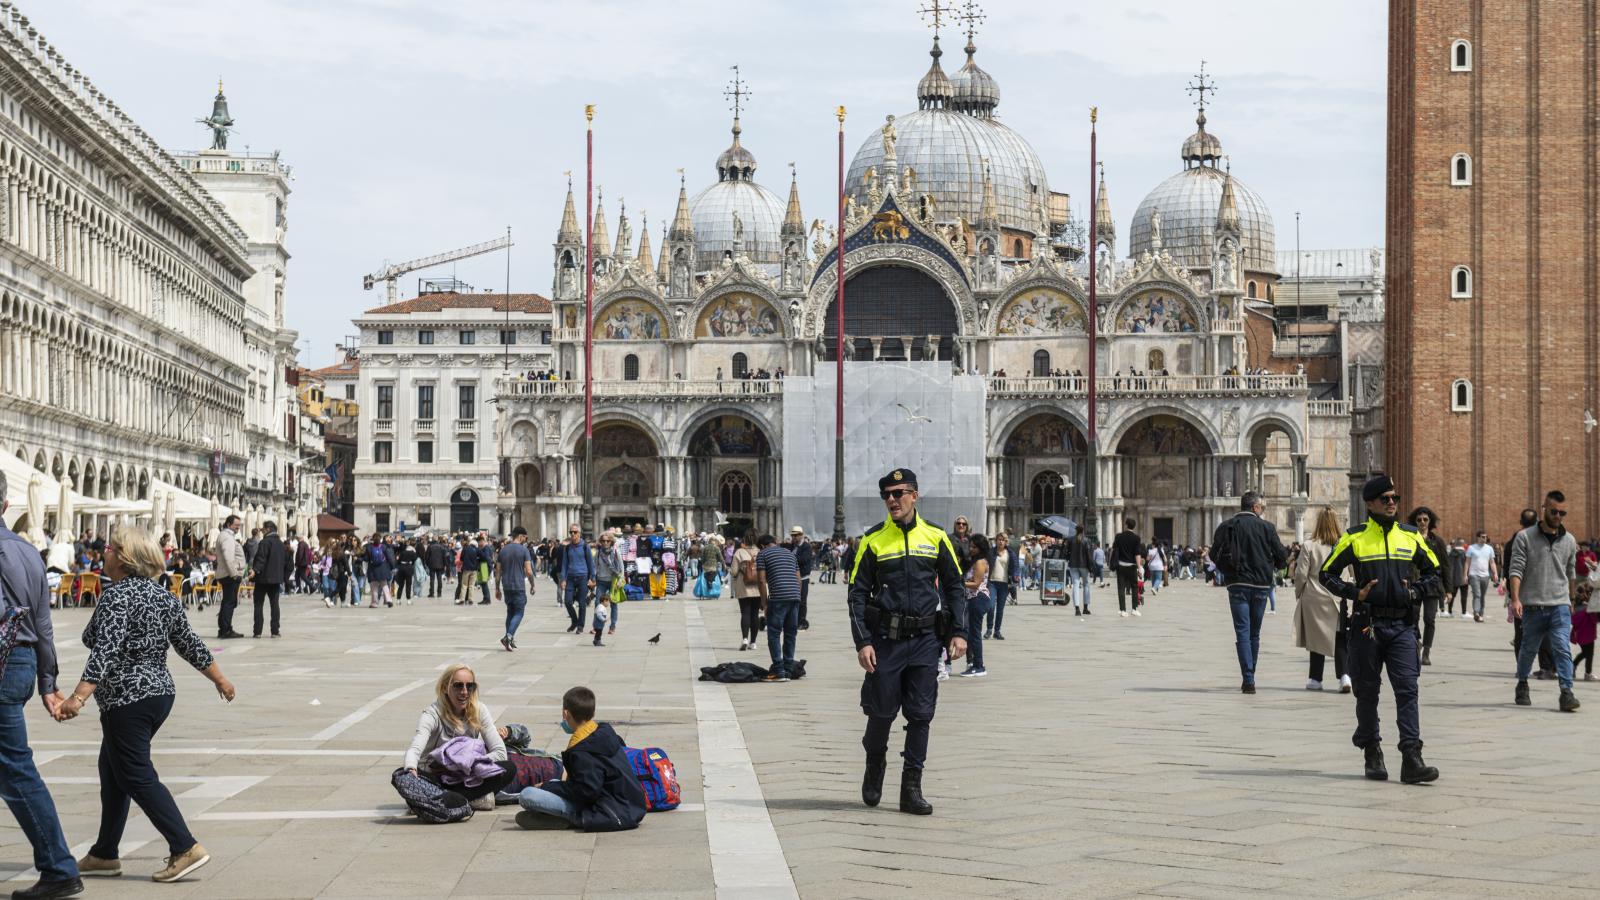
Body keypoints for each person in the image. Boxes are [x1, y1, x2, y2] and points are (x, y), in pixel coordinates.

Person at [58, 525, 235, 884]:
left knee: (135, 773)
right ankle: (104, 853)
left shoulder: (116, 596)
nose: (104, 553)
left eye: (110, 548)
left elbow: (101, 649)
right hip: (159, 695)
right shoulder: (163, 596)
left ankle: (184, 846)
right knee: (113, 769)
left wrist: (77, 698)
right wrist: (219, 678)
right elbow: (189, 643)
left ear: (122, 558)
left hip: (128, 698)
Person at [847, 468, 968, 816]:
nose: (892, 499)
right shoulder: (873, 540)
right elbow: (857, 594)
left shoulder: (936, 537)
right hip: (885, 642)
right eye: (886, 494)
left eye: (899, 493)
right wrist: (863, 642)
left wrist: (958, 632)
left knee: (920, 715)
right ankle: (875, 764)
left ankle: (911, 788)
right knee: (880, 713)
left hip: (926, 640)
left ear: (914, 495)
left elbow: (955, 586)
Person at [1319, 475, 1441, 784]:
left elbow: (1435, 574)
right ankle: (1372, 752)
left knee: (1408, 689)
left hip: (1402, 625)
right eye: (1385, 498)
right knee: (1367, 692)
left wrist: (1414, 592)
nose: (1391, 503)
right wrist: (1354, 592)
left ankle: (1412, 757)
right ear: (1370, 503)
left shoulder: (1411, 536)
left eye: (1395, 498)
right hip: (1367, 626)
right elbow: (1326, 574)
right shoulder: (1354, 537)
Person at [0, 472, 82, 900]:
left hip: (2, 662)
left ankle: (58, 866)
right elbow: (43, 625)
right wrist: (47, 679)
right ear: (7, 504)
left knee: (14, 768)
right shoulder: (29, 552)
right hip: (23, 661)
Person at [515, 686, 647, 831]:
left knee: (527, 795)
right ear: (592, 712)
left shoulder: (582, 751)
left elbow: (586, 792)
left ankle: (573, 819)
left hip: (609, 812)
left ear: (566, 713)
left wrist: (547, 787)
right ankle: (557, 814)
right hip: (629, 805)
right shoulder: (603, 732)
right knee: (552, 783)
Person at [403, 665, 515, 807]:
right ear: (445, 687)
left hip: (467, 775)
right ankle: (470, 798)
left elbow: (500, 752)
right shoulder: (432, 713)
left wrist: (467, 763)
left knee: (509, 768)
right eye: (458, 686)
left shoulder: (479, 710)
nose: (464, 692)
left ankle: (447, 800)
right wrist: (410, 769)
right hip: (436, 776)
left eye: (470, 686)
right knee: (403, 774)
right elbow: (415, 748)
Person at [1509, 490, 1580, 712]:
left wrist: (1571, 598)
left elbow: (1570, 573)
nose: (1558, 516)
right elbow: (1516, 568)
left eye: (1562, 512)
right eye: (1554, 511)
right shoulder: (1525, 537)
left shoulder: (1569, 540)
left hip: (1559, 605)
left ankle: (1566, 693)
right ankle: (1522, 683)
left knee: (1562, 649)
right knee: (1528, 650)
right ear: (1544, 509)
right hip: (1533, 606)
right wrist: (1515, 599)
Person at [1211, 491, 1288, 694]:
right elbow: (1282, 556)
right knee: (1254, 633)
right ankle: (1250, 675)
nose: (1262, 511)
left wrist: (1227, 571)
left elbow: (1213, 554)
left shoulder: (1226, 526)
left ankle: (1248, 678)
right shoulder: (1267, 528)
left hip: (1237, 584)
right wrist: (1272, 566)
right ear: (1254, 507)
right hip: (1262, 585)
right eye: (1261, 507)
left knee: (1242, 632)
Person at [1293, 507, 1350, 693]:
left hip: (1314, 597)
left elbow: (1301, 574)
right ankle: (1344, 676)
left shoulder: (1309, 545)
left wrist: (1299, 592)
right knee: (1340, 637)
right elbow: (1352, 572)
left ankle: (1315, 679)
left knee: (1316, 638)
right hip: (1337, 596)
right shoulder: (1344, 544)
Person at [756, 533, 803, 682]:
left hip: (778, 598)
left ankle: (779, 670)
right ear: (775, 542)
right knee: (790, 633)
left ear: (762, 546)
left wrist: (764, 603)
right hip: (794, 596)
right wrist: (797, 596)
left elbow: (762, 581)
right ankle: (789, 670)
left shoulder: (762, 554)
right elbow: (798, 579)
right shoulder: (790, 553)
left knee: (774, 633)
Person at [1407, 507, 1450, 666]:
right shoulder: (1409, 539)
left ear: (1430, 521)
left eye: (1425, 519)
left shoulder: (1437, 541)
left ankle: (1426, 651)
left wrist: (1449, 589)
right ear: (1414, 522)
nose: (1422, 522)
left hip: (1432, 585)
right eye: (1419, 520)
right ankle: (1416, 645)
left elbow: (1445, 566)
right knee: (1413, 618)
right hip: (1414, 584)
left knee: (1429, 620)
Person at [960, 533, 992, 677]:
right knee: (973, 633)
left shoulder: (980, 562)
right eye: (970, 546)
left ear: (980, 548)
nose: (971, 549)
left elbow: (975, 584)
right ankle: (975, 664)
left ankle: (979, 666)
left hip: (978, 598)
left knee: (975, 634)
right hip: (975, 598)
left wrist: (960, 583)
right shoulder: (976, 561)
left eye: (974, 547)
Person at [497, 528, 534, 652]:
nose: (525, 540)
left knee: (510, 612)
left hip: (506, 586)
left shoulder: (503, 550)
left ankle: (508, 640)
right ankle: (508, 636)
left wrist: (497, 588)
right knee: (519, 612)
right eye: (525, 537)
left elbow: (498, 572)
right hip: (518, 586)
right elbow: (529, 571)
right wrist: (532, 584)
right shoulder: (524, 550)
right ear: (520, 536)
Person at [212, 514, 246, 639]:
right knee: (230, 602)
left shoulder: (225, 535)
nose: (238, 527)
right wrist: (234, 574)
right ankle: (226, 630)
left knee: (227, 601)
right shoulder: (227, 537)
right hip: (229, 574)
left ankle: (224, 628)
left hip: (224, 573)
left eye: (239, 525)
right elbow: (228, 557)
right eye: (236, 525)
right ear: (228, 524)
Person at [249, 521, 286, 638]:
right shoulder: (281, 543)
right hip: (275, 580)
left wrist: (254, 570)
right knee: (275, 605)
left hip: (262, 579)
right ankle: (275, 631)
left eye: (263, 529)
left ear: (268, 529)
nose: (262, 531)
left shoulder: (265, 542)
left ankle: (257, 631)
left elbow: (261, 559)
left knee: (258, 604)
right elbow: (286, 562)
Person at [555, 525, 593, 633]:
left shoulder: (585, 546)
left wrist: (592, 578)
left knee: (581, 603)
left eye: (575, 532)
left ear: (579, 533)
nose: (573, 534)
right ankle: (574, 621)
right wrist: (563, 579)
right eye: (571, 532)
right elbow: (564, 565)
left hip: (583, 577)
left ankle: (580, 626)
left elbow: (591, 564)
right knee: (567, 601)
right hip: (570, 577)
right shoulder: (567, 548)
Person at [732, 535, 762, 651]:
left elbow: (734, 571)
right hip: (758, 587)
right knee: (755, 614)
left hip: (743, 586)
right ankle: (753, 642)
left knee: (745, 613)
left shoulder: (739, 552)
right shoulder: (761, 552)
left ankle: (745, 638)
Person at [592, 531, 624, 636]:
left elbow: (621, 567)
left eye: (607, 541)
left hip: (613, 581)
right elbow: (595, 567)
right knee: (597, 603)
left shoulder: (615, 552)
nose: (605, 543)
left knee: (613, 604)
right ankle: (597, 626)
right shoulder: (598, 553)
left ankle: (612, 626)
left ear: (611, 542)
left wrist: (620, 579)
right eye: (603, 541)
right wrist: (592, 579)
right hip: (601, 580)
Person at [986, 530, 1016, 639]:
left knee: (1000, 609)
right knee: (990, 606)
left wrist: (1015, 576)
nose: (1001, 542)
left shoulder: (1010, 553)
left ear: (1006, 542)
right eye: (999, 539)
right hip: (992, 582)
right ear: (996, 540)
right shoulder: (990, 552)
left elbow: (1015, 566)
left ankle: (997, 631)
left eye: (1003, 540)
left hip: (1004, 583)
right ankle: (989, 629)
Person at [1111, 518, 1144, 617]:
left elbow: (1114, 550)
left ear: (1126, 525)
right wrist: (1139, 568)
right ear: (1134, 526)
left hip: (1120, 566)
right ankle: (1134, 609)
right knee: (1134, 587)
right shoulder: (1136, 538)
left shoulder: (1119, 537)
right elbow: (1137, 554)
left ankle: (1122, 610)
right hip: (1131, 567)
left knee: (1121, 588)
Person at [1464, 530, 1498, 623]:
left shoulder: (1489, 548)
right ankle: (1476, 612)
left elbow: (1492, 562)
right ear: (1478, 537)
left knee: (1482, 596)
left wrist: (1495, 573)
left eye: (1486, 537)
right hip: (1473, 575)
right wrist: (1465, 575)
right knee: (1477, 594)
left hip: (1485, 576)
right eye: (1482, 537)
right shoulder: (1471, 548)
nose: (1484, 538)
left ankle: (1481, 614)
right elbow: (1467, 562)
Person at [788, 526, 814, 631]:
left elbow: (804, 559)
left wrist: (790, 557)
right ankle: (792, 620)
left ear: (801, 535)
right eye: (792, 535)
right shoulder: (791, 546)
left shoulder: (806, 547)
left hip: (803, 577)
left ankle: (802, 621)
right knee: (792, 600)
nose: (793, 537)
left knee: (802, 600)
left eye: (795, 535)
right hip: (792, 577)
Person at [1068, 530, 1094, 615]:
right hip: (1084, 566)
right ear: (1083, 531)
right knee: (1086, 585)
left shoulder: (1071, 540)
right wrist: (1091, 568)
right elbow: (1089, 555)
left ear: (1075, 530)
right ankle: (1085, 608)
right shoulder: (1087, 540)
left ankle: (1077, 609)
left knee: (1075, 585)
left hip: (1073, 565)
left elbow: (1067, 552)